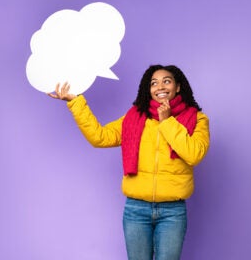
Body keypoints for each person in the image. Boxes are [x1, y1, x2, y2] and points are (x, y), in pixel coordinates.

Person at [48, 64, 210, 260]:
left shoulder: (198, 119)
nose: (160, 87)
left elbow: (194, 154)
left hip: (172, 212)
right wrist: (75, 102)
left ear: (178, 87)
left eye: (166, 81)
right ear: (148, 90)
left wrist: (167, 121)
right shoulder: (134, 117)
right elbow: (100, 137)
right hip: (136, 210)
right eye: (154, 83)